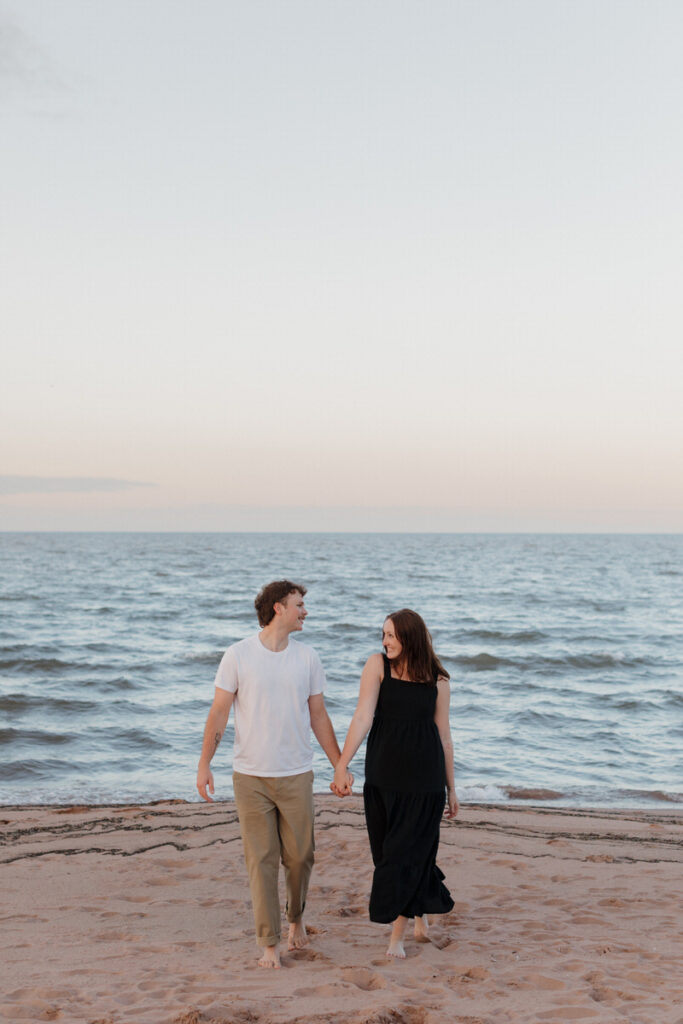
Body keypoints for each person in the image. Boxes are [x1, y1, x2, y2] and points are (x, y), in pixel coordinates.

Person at [197, 580, 352, 969]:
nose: (306, 611)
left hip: (297, 772)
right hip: (250, 776)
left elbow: (318, 715)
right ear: (278, 608)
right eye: (300, 605)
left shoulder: (308, 658)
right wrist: (204, 764)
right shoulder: (238, 655)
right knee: (261, 859)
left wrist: (339, 764)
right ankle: (269, 943)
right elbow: (219, 713)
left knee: (301, 856)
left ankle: (295, 917)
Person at [333, 608, 458, 958]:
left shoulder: (439, 680)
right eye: (383, 635)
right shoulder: (378, 666)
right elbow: (362, 716)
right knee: (387, 854)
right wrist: (342, 765)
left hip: (425, 781)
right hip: (383, 777)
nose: (384, 641)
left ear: (409, 635)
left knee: (404, 855)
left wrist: (452, 788)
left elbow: (445, 737)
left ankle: (396, 939)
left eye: (390, 635)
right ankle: (420, 913)